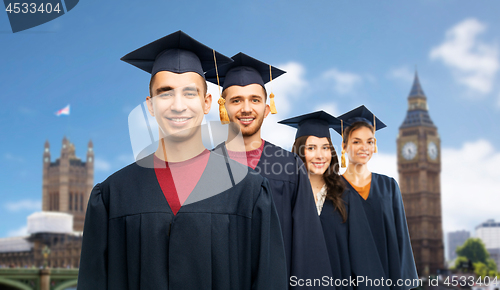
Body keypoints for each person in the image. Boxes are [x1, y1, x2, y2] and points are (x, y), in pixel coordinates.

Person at [77, 31, 287, 290]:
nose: (178, 105)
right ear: (150, 105)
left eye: (190, 93)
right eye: (165, 93)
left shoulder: (250, 191)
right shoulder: (112, 195)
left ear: (207, 102)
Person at [206, 52, 333, 289]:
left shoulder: (290, 167)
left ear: (267, 108)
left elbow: (307, 247)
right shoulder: (204, 167)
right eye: (236, 100)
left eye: (254, 100)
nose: (246, 108)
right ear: (222, 108)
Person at [284, 106, 419, 289]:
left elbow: (363, 253)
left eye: (325, 147)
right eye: (311, 147)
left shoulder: (343, 194)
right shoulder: (285, 193)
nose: (319, 155)